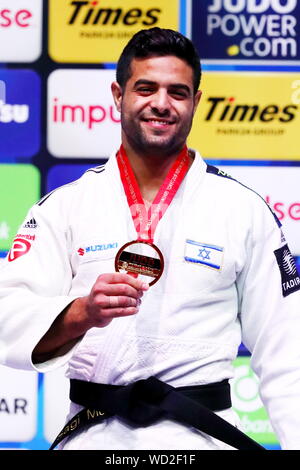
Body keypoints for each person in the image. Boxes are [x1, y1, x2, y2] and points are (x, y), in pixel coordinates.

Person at [0, 27, 300, 451]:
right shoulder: (65, 207)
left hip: (202, 439)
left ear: (196, 102)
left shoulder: (244, 210)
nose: (161, 103)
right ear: (118, 94)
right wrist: (81, 313)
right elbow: (7, 318)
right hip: (94, 438)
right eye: (146, 88)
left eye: (178, 92)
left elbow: (289, 350)